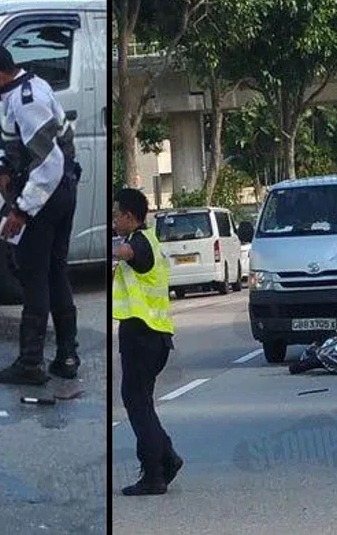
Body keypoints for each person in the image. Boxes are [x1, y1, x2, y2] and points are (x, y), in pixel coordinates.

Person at [0, 44, 83, 386]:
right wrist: (0, 171)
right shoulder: (26, 90)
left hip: (46, 197)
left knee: (34, 276)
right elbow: (6, 143)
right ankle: (66, 355)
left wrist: (21, 209)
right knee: (54, 274)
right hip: (60, 193)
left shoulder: (27, 100)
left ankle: (31, 361)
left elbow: (49, 163)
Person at [112, 188, 183, 496]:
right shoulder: (147, 239)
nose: (113, 221)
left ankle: (155, 473)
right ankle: (166, 458)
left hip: (143, 337)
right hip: (154, 337)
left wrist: (111, 244)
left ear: (129, 216)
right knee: (141, 403)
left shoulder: (140, 242)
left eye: (115, 216)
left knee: (136, 402)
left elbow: (128, 254)